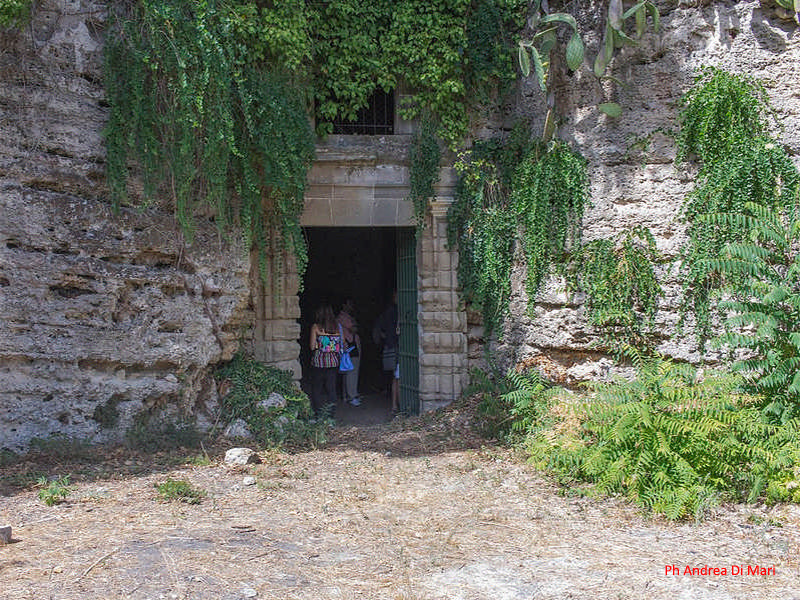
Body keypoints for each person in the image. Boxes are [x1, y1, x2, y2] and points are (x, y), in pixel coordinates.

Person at [309, 304, 341, 418]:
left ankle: (318, 414)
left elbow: (312, 346)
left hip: (319, 362)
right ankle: (331, 416)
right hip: (333, 362)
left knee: (317, 389)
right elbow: (340, 344)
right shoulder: (337, 327)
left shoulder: (315, 327)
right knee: (331, 389)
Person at [373, 291, 399, 413]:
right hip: (395, 347)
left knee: (395, 376)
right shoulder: (391, 312)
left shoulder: (391, 312)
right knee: (395, 376)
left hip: (392, 346)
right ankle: (396, 405)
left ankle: (395, 405)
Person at [337, 299, 362, 406]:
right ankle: (352, 396)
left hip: (346, 345)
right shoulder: (344, 317)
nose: (351, 306)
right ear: (344, 305)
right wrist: (355, 324)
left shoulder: (340, 317)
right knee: (352, 372)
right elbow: (354, 329)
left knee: (348, 372)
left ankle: (348, 395)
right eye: (349, 304)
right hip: (350, 345)